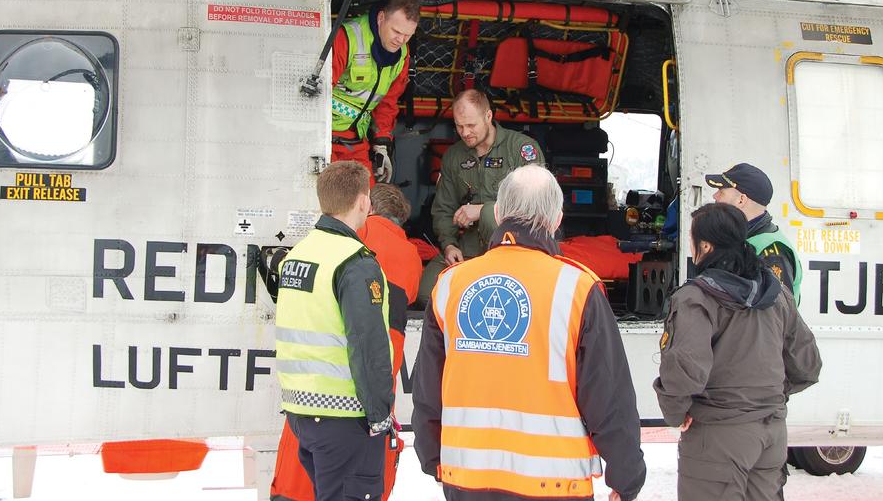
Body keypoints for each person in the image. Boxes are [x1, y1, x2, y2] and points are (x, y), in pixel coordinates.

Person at [412, 165, 647, 501]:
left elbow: (428, 385)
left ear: (497, 213)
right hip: (553, 483)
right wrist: (627, 477)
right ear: (556, 219)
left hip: (465, 478)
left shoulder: (450, 284)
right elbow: (609, 395)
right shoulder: (578, 287)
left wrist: (433, 457)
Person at [653, 202, 822, 501]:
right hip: (771, 435)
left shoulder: (696, 298)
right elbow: (807, 364)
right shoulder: (777, 293)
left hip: (718, 436)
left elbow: (684, 370)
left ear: (705, 245)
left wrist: (676, 412)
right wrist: (768, 397)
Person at [271, 182, 420, 501]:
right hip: (361, 406)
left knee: (296, 481)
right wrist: (379, 416)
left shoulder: (321, 245)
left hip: (307, 405)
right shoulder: (408, 256)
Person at [417, 88, 545, 307]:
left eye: (471, 125)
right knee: (426, 294)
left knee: (488, 216)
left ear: (488, 116)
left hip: (515, 251)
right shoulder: (454, 156)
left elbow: (537, 207)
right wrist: (449, 245)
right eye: (459, 126)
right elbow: (443, 208)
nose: (465, 132)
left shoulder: (521, 149)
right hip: (468, 248)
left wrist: (483, 210)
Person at [331, 0, 421, 183]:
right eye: (396, 31)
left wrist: (381, 144)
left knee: (366, 203)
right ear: (381, 18)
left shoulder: (402, 57)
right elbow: (320, 91)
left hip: (355, 141)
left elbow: (387, 102)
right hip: (325, 138)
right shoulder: (346, 38)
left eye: (408, 35)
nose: (401, 40)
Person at [706, 162, 803, 303]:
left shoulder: (772, 252)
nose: (715, 196)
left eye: (721, 192)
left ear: (741, 200)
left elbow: (775, 316)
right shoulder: (739, 239)